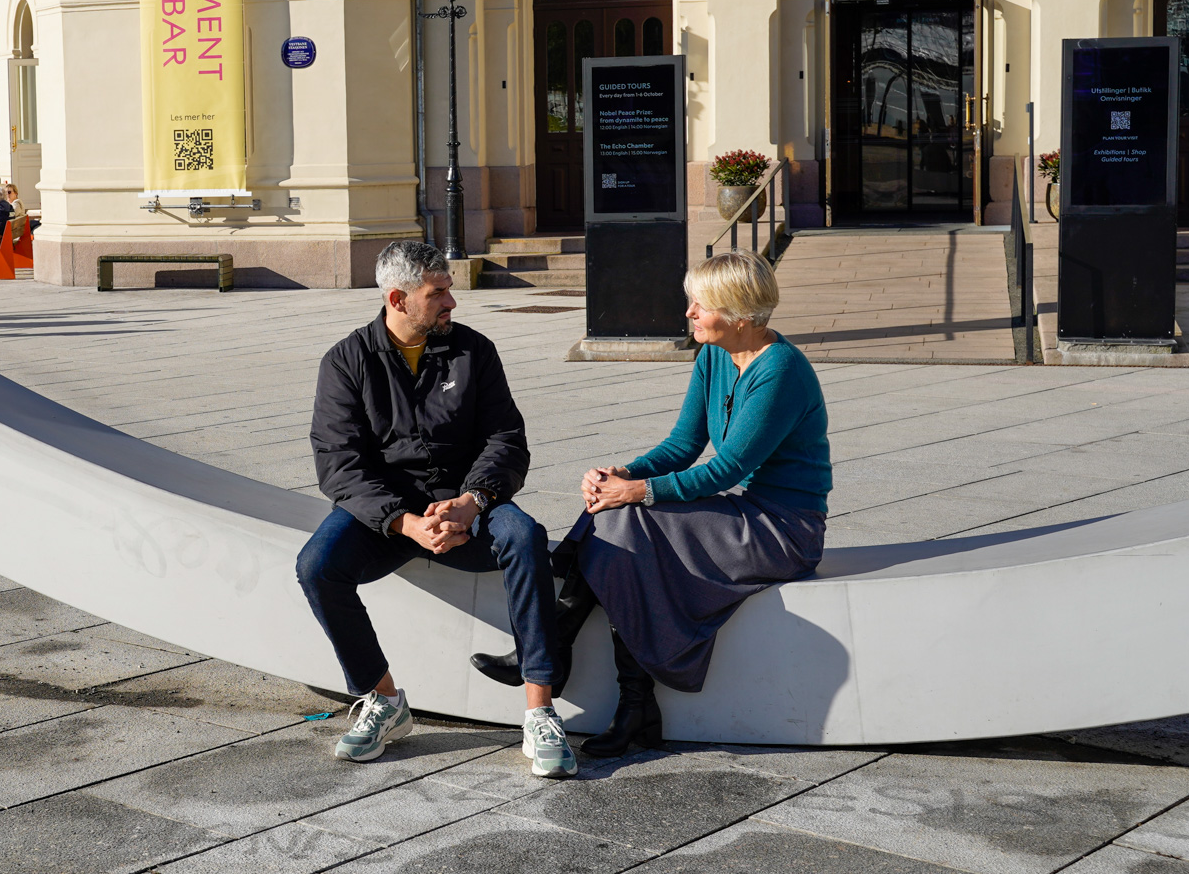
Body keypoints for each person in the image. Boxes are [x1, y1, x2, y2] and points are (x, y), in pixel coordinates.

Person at [471, 250, 831, 757]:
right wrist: (622, 474)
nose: (687, 314)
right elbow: (683, 446)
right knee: (619, 523)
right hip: (743, 513)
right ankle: (626, 700)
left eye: (699, 305)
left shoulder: (781, 372)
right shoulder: (714, 354)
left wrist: (635, 492)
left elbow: (725, 469)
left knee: (625, 520)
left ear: (741, 315)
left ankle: (563, 654)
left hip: (784, 528)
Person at [295, 240, 577, 779]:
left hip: (469, 505)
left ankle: (540, 710)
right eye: (439, 293)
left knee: (526, 537)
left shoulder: (475, 352)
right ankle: (382, 700)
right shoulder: (347, 361)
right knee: (317, 566)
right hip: (388, 514)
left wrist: (473, 501)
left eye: (449, 290)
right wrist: (405, 522)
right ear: (398, 298)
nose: (452, 303)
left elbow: (507, 439)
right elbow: (338, 463)